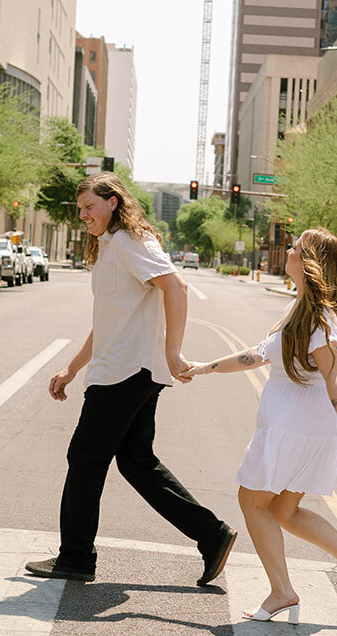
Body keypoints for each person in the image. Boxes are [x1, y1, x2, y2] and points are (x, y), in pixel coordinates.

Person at [26, 174, 238, 586]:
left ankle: (75, 558)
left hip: (126, 371)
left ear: (113, 202)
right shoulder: (111, 246)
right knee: (137, 462)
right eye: (81, 208)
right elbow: (109, 320)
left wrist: (174, 352)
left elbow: (177, 286)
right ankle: (212, 535)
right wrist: (71, 368)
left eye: (89, 206)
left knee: (85, 459)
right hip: (125, 367)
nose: (83, 215)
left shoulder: (128, 242)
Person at [181, 227, 337, 622]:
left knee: (251, 502)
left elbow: (336, 378)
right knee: (283, 510)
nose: (289, 251)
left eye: (295, 248)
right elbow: (258, 355)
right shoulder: (298, 309)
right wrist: (204, 368)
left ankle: (282, 591)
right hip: (295, 424)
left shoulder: (318, 318)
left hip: (293, 427)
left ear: (308, 262)